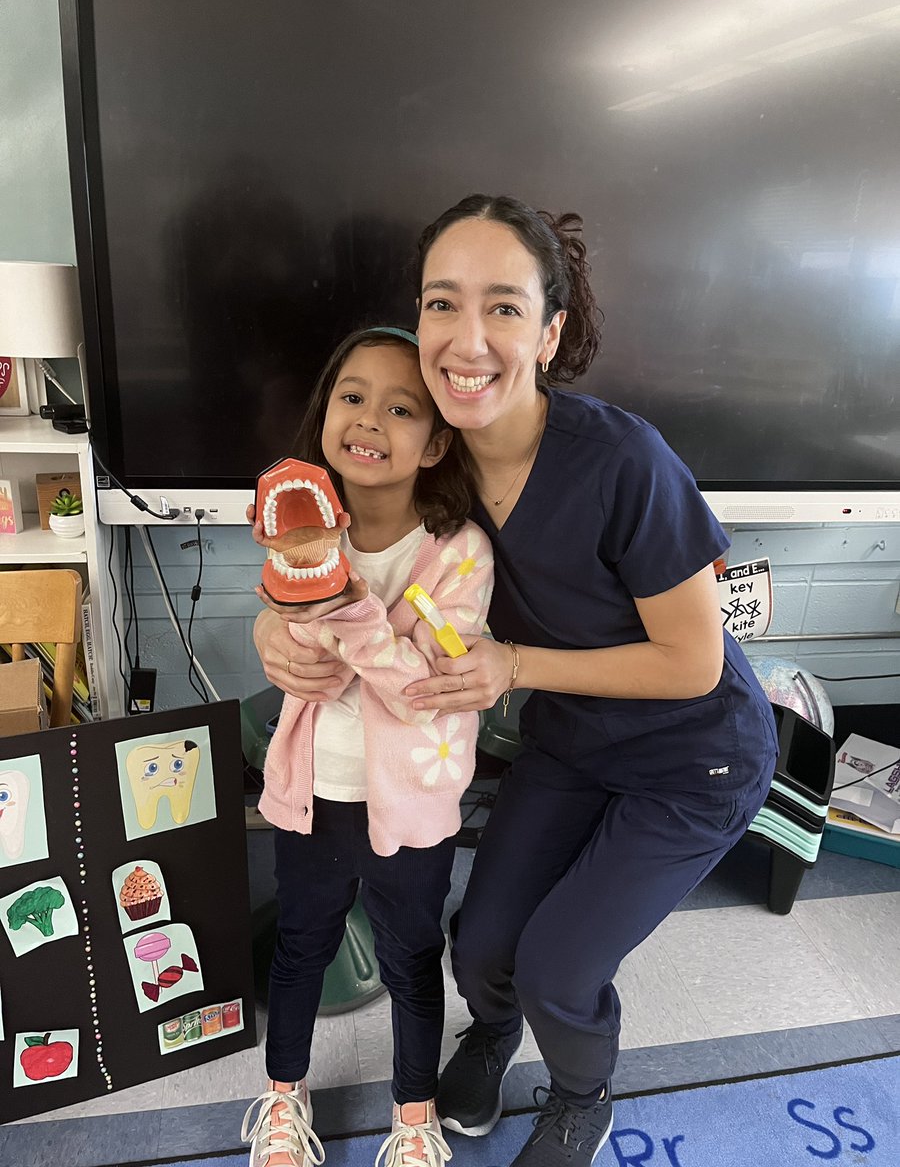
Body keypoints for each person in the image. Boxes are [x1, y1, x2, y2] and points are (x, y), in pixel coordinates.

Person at [252, 198, 778, 1167]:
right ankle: (489, 1034)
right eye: (442, 304)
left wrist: (514, 665)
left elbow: (695, 661)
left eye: (503, 307)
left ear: (551, 333)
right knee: (481, 943)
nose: (466, 337)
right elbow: (327, 562)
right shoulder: (433, 463)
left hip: (694, 759)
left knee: (557, 967)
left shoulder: (623, 462)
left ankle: (583, 1093)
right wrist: (271, 626)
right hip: (574, 740)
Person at [242, 325, 493, 1167]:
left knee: (411, 957)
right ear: (324, 414)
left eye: (400, 408)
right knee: (302, 944)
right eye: (352, 397)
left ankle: (413, 1115)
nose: (369, 420)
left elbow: (423, 690)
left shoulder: (458, 557)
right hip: (310, 790)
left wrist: (338, 603)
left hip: (413, 802)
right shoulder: (301, 529)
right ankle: (283, 1096)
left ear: (437, 440)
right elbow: (295, 652)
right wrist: (275, 617)